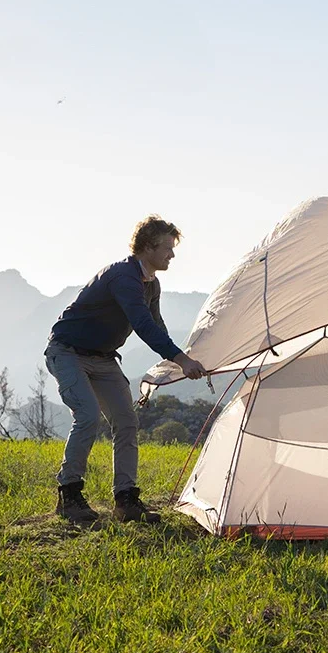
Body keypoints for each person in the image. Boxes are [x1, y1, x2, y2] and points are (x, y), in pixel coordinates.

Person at [44, 215, 207, 525]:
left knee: (126, 421)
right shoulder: (123, 277)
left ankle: (126, 500)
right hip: (67, 353)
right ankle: (69, 493)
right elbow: (143, 324)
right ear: (148, 247)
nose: (172, 255)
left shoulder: (151, 284)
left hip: (104, 358)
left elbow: (157, 324)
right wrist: (182, 360)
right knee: (88, 416)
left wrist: (179, 359)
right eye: (167, 249)